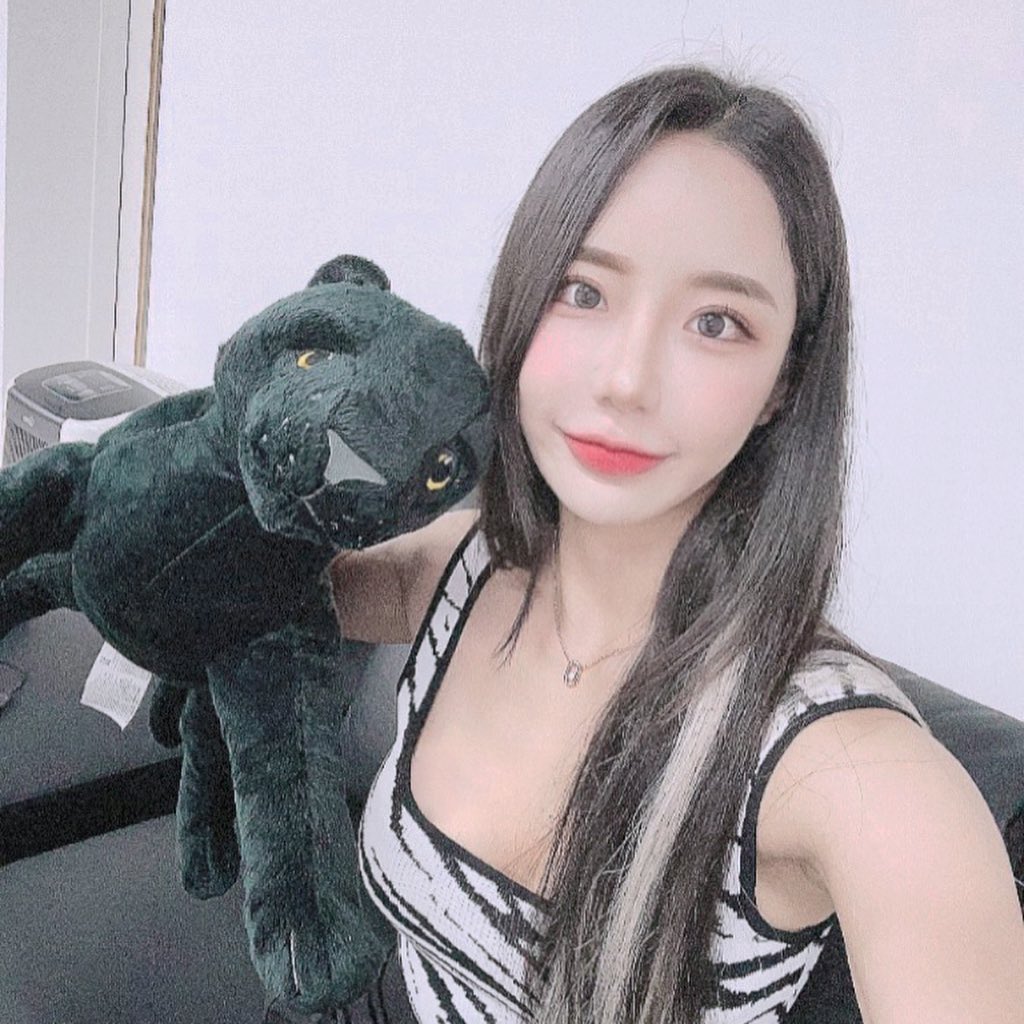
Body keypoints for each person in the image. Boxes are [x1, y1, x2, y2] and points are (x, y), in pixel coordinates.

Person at [328, 65, 1024, 1023]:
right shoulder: (458, 572)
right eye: (583, 291)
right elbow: (222, 589)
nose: (627, 379)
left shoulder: (852, 774)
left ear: (784, 383)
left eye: (716, 323)